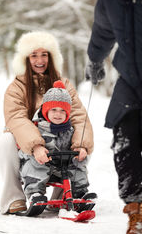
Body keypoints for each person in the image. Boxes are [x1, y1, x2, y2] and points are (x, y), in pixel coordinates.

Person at [0, 31, 94, 215]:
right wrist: (36, 146)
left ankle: (67, 193)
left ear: (52, 57)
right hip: (28, 144)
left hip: (59, 142)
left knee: (79, 142)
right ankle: (14, 197)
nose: (39, 60)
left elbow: (79, 116)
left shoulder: (64, 83)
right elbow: (16, 117)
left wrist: (81, 145)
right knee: (5, 141)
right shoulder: (17, 87)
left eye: (44, 54)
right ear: (26, 58)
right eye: (34, 55)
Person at [82, 0, 142, 233]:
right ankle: (137, 212)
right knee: (124, 143)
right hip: (131, 77)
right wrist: (95, 60)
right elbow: (103, 30)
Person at [19, 80, 90, 208]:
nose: (58, 114)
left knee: (78, 163)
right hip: (40, 165)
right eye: (54, 110)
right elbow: (25, 143)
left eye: (63, 111)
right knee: (37, 163)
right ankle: (35, 193)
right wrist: (36, 150)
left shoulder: (70, 130)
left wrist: (80, 150)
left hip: (60, 167)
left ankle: (80, 193)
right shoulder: (37, 128)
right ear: (46, 110)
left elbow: (78, 142)